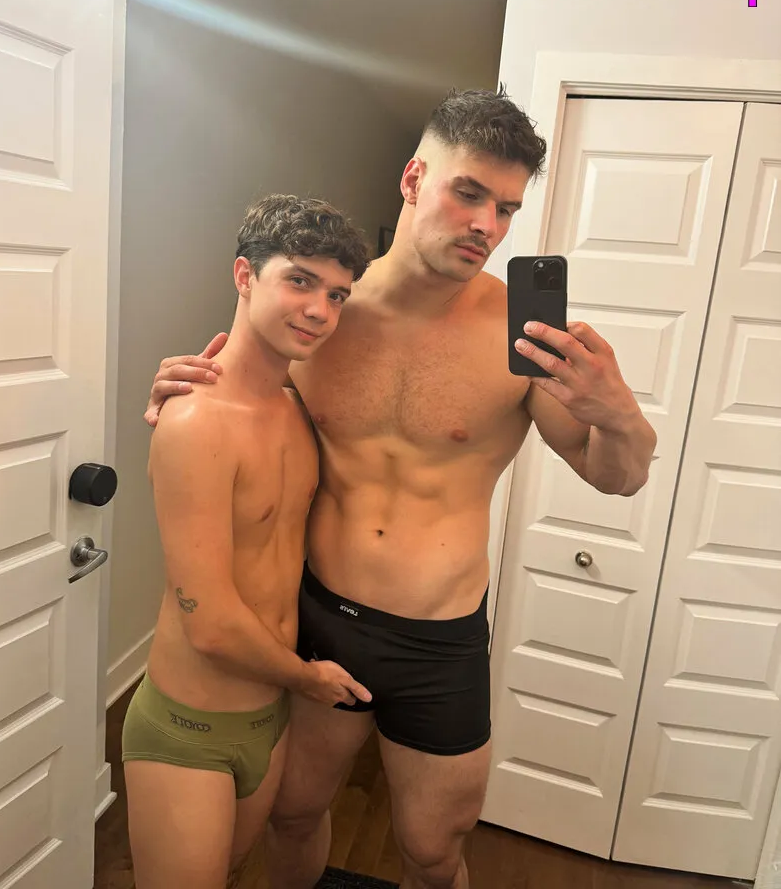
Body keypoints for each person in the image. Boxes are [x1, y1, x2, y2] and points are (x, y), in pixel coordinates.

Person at [144, 87, 657, 889]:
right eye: (469, 193)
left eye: (507, 209)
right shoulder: (325, 312)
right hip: (323, 615)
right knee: (293, 814)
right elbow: (236, 400)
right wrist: (179, 391)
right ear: (415, 179)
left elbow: (614, 477)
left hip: (439, 641)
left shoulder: (522, 328)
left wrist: (620, 416)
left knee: (431, 852)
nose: (488, 225)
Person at [122, 194, 373, 889]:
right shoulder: (196, 422)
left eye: (337, 295)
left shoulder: (298, 409)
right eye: (300, 281)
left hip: (269, 715)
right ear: (244, 275)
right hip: (189, 729)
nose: (320, 310)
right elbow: (209, 624)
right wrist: (309, 680)